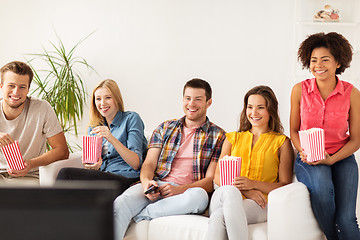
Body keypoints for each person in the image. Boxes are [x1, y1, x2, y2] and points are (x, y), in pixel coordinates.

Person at [113, 78, 226, 239]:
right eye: (187, 98)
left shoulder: (218, 135)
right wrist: (147, 183)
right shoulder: (165, 127)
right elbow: (149, 163)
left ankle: (141, 215)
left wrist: (178, 190)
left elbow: (210, 181)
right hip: (156, 185)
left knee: (199, 197)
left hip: (187, 192)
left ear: (209, 103)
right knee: (121, 203)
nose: (191, 104)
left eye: (198, 99)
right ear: (182, 100)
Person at [290, 32, 360, 239]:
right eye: (313, 60)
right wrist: (304, 151)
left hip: (342, 156)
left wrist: (332, 159)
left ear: (338, 62)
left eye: (325, 59)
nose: (318, 65)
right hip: (308, 157)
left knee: (347, 219)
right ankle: (332, 237)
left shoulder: (352, 94)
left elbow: (356, 139)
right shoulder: (299, 90)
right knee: (323, 191)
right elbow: (294, 130)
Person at [207, 85, 294, 240]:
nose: (254, 113)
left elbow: (285, 184)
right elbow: (218, 176)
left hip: (260, 203)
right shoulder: (232, 138)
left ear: (271, 110)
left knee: (219, 217)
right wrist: (247, 191)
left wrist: (253, 184)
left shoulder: (281, 142)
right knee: (230, 192)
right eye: (250, 107)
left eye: (260, 107)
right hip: (224, 196)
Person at [57, 79, 147, 195]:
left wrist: (111, 138)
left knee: (66, 174)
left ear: (117, 99)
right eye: (98, 99)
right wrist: (94, 166)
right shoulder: (94, 127)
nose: (102, 103)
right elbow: (94, 164)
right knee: (72, 189)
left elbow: (136, 163)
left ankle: (47, 212)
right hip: (105, 176)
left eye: (108, 98)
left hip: (126, 178)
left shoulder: (131, 119)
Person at [0, 61, 69, 183]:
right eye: (11, 86)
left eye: (22, 87)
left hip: (28, 176)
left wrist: (31, 163)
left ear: (28, 89)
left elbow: (62, 151)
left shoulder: (42, 108)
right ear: (1, 86)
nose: (16, 92)